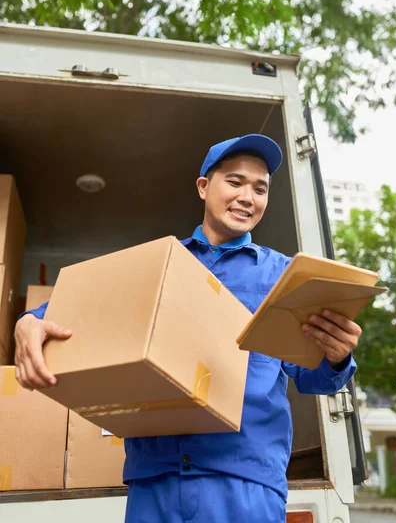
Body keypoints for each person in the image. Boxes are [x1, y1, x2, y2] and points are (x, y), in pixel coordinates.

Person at [15, 134, 362, 523]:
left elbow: (314, 378)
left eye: (260, 188)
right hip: (155, 478)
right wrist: (29, 321)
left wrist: (337, 356)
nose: (248, 196)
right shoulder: (160, 262)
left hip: (243, 480)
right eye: (234, 182)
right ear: (203, 186)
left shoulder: (283, 276)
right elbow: (88, 307)